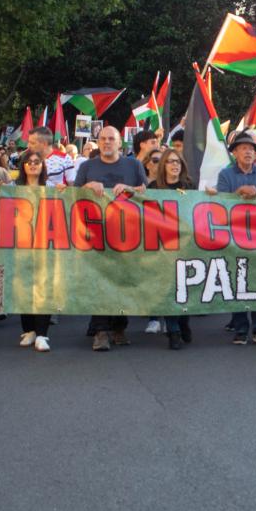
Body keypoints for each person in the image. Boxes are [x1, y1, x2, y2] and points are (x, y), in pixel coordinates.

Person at [74, 126, 146, 351]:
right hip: (96, 236)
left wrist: (130, 188)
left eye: (111, 139)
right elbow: (73, 196)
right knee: (100, 282)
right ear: (98, 141)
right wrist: (87, 186)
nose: (106, 142)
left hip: (127, 234)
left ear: (119, 143)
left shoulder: (134, 165)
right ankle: (101, 331)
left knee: (123, 281)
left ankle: (119, 327)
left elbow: (146, 191)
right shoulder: (87, 166)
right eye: (103, 138)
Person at [217, 131, 256, 344]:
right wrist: (239, 192)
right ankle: (241, 329)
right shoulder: (225, 176)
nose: (248, 152)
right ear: (234, 152)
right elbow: (222, 202)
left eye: (252, 149)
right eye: (244, 148)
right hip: (234, 236)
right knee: (238, 282)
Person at [148, 148, 195, 349]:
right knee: (168, 288)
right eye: (170, 162)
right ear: (163, 166)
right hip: (163, 247)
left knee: (185, 287)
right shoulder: (153, 188)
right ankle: (173, 330)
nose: (175, 165)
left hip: (186, 246)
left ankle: (184, 322)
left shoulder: (191, 187)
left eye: (178, 162)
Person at [12, 151, 54, 351]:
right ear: (23, 166)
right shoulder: (14, 188)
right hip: (20, 245)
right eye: (29, 162)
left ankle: (43, 334)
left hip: (45, 245)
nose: (33, 165)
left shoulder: (51, 187)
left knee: (43, 288)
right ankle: (28, 330)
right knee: (24, 286)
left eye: (37, 162)